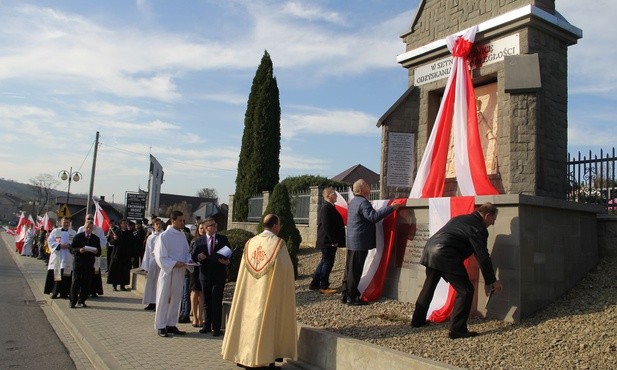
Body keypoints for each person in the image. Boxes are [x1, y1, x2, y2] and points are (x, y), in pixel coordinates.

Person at [410, 202, 503, 339]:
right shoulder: (478, 227)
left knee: (429, 287)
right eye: (493, 220)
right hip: (445, 254)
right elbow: (482, 256)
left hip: (430, 250)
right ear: (487, 215)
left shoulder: (461, 218)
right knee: (466, 290)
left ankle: (417, 321)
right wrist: (492, 281)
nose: (493, 223)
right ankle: (457, 330)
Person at [222, 214, 296, 369]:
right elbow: (286, 269)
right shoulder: (278, 244)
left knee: (247, 321)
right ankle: (264, 359)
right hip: (267, 292)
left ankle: (244, 355)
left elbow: (243, 268)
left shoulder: (251, 242)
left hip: (249, 292)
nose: (280, 227)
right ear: (275, 225)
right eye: (279, 224)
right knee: (265, 323)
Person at [342, 179, 400, 305]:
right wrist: (392, 208)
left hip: (353, 240)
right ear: (362, 189)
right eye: (367, 185)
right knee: (355, 270)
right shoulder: (363, 202)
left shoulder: (353, 201)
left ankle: (345, 293)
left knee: (350, 268)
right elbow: (373, 217)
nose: (369, 186)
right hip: (360, 241)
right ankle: (353, 298)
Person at [153, 211, 193, 338]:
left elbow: (186, 252)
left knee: (176, 298)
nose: (183, 223)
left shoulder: (182, 236)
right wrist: (175, 263)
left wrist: (189, 261)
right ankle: (160, 325)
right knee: (163, 297)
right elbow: (160, 256)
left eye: (183, 221)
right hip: (168, 271)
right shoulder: (164, 236)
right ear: (173, 220)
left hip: (179, 271)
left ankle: (171, 323)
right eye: (180, 220)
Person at [191, 217, 230, 336]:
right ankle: (207, 325)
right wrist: (198, 257)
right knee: (207, 300)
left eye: (215, 224)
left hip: (219, 274)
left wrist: (227, 260)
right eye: (212, 225)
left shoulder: (222, 239)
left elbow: (229, 252)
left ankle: (217, 327)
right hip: (205, 274)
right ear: (206, 228)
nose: (215, 226)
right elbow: (192, 256)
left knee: (216, 299)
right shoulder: (199, 241)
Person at [309, 187, 346, 294]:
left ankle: (314, 283)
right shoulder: (326, 208)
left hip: (327, 240)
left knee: (324, 261)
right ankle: (324, 286)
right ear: (328, 196)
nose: (336, 196)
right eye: (334, 194)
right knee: (328, 263)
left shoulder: (330, 207)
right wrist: (333, 240)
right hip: (327, 241)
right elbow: (327, 226)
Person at [69, 221, 101, 308]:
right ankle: (72, 301)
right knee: (76, 282)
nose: (88, 229)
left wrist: (96, 251)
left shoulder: (95, 239)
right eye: (87, 228)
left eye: (90, 228)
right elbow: (71, 249)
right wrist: (79, 250)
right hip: (78, 263)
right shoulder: (78, 237)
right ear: (84, 228)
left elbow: (99, 252)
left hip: (89, 264)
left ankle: (82, 300)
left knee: (86, 284)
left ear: (92, 229)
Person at [44, 217, 76, 299]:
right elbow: (50, 241)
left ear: (70, 223)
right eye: (64, 222)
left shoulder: (73, 232)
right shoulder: (55, 231)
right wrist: (59, 245)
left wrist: (69, 246)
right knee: (56, 275)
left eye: (67, 222)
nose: (66, 224)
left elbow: (76, 243)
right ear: (61, 222)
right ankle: (55, 292)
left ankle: (64, 293)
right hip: (58, 255)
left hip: (68, 257)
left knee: (66, 276)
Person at [77, 214, 107, 298]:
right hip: (83, 254)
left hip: (94, 255)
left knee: (94, 273)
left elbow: (103, 240)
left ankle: (94, 291)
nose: (90, 220)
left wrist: (95, 247)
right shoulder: (81, 229)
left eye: (92, 218)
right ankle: (82, 291)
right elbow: (78, 240)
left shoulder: (99, 230)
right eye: (88, 218)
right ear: (85, 219)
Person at [141, 218, 163, 311]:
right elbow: (148, 251)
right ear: (153, 226)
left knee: (160, 282)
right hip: (153, 261)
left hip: (162, 261)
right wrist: (145, 266)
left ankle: (158, 302)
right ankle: (151, 302)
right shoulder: (151, 237)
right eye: (156, 224)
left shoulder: (164, 235)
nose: (158, 225)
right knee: (151, 283)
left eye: (159, 224)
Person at [106, 219, 134, 291]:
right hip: (117, 254)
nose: (125, 225)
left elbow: (132, 244)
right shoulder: (116, 232)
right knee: (115, 271)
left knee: (124, 271)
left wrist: (132, 255)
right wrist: (114, 239)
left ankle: (122, 285)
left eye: (126, 223)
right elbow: (111, 242)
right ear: (120, 224)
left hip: (126, 255)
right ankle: (114, 286)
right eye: (123, 223)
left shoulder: (129, 233)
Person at [187, 220, 206, 327]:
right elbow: (189, 254)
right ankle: (194, 316)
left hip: (204, 269)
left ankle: (200, 317)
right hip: (195, 269)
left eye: (204, 228)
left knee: (202, 293)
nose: (202, 230)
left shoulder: (208, 241)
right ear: (198, 230)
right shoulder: (194, 241)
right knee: (194, 293)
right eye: (200, 228)